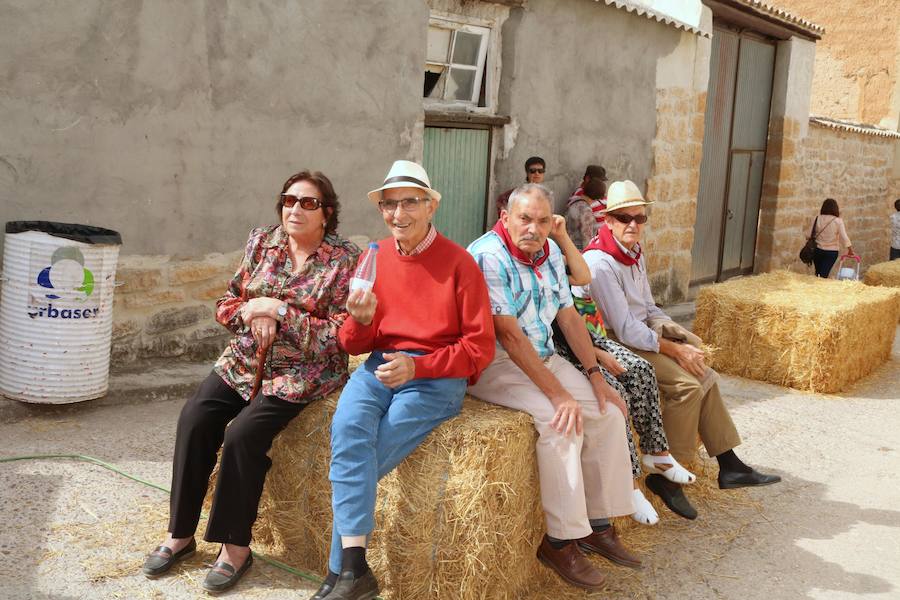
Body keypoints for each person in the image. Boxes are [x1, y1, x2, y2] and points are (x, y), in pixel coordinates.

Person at [140, 171, 359, 593]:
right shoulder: (263, 241)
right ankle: (179, 535)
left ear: (327, 214)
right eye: (289, 200)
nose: (295, 209)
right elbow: (227, 303)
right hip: (244, 361)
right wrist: (250, 311)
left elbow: (340, 333)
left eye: (308, 203)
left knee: (242, 435)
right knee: (195, 418)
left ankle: (235, 548)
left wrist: (279, 311)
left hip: (302, 373)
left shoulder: (344, 259)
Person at [317, 160, 495, 600]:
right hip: (379, 366)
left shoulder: (460, 264)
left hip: (436, 378)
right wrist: (359, 323)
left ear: (431, 205)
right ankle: (355, 570)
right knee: (347, 431)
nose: (399, 214)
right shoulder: (373, 256)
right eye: (389, 205)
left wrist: (421, 367)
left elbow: (480, 350)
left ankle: (340, 570)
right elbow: (352, 342)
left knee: (360, 460)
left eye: (410, 202)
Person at [467, 183, 638, 592]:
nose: (534, 227)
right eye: (525, 218)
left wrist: (595, 377)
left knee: (608, 412)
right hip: (496, 364)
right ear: (506, 217)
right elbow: (507, 336)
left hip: (543, 356)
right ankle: (559, 541)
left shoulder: (550, 254)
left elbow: (568, 316)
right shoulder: (489, 255)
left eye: (543, 220)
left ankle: (596, 524)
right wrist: (559, 395)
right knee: (560, 420)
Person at [579, 180, 780, 517]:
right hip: (616, 342)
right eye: (624, 217)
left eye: (639, 218)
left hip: (641, 335)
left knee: (705, 373)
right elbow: (624, 328)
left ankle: (729, 464)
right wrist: (672, 349)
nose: (633, 225)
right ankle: (666, 476)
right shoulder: (600, 263)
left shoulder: (633, 254)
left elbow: (648, 307)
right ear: (608, 221)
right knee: (687, 386)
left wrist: (676, 334)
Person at [554, 293, 698, 524]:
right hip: (559, 345)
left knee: (642, 370)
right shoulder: (596, 259)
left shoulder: (553, 260)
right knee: (615, 397)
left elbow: (582, 275)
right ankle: (628, 484)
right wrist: (596, 356)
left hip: (585, 335)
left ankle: (657, 453)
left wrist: (567, 254)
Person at [810, 198, 854, 277]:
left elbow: (808, 234)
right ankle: (821, 288)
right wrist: (850, 250)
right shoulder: (838, 221)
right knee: (824, 274)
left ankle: (818, 287)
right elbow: (844, 237)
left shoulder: (817, 218)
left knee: (818, 273)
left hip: (817, 250)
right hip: (831, 252)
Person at [566, 176, 607, 250]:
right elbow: (587, 237)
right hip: (579, 251)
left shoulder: (574, 202)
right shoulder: (586, 211)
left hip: (568, 246)